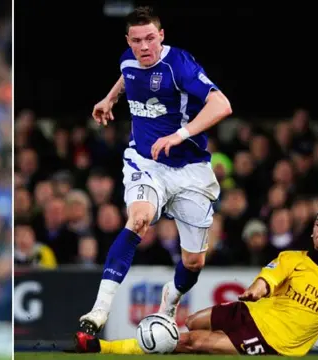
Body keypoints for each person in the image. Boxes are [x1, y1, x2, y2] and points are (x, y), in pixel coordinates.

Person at [79, 6, 233, 336]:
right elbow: (128, 74)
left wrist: (179, 135)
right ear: (128, 41)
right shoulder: (128, 58)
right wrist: (109, 98)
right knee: (139, 219)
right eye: (137, 41)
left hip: (190, 169)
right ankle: (99, 309)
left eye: (150, 38)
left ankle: (169, 304)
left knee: (193, 263)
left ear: (161, 36)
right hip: (145, 161)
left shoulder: (179, 64)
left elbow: (222, 105)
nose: (144, 47)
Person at [75, 207, 318, 356]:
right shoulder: (292, 258)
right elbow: (268, 279)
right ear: (311, 230)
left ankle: (102, 347)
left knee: (191, 341)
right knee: (190, 322)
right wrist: (256, 290)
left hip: (275, 339)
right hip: (252, 311)